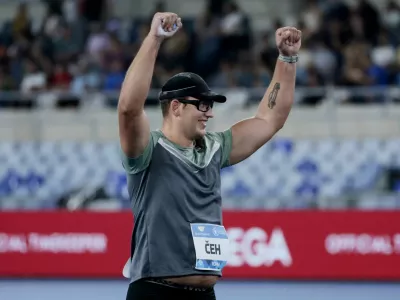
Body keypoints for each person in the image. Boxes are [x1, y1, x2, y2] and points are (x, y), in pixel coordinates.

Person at [118, 12, 301, 300]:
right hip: (155, 292)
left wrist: (287, 60)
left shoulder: (215, 148)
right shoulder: (148, 150)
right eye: (202, 105)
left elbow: (270, 119)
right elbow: (129, 109)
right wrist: (154, 39)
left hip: (205, 294)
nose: (210, 112)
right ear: (176, 107)